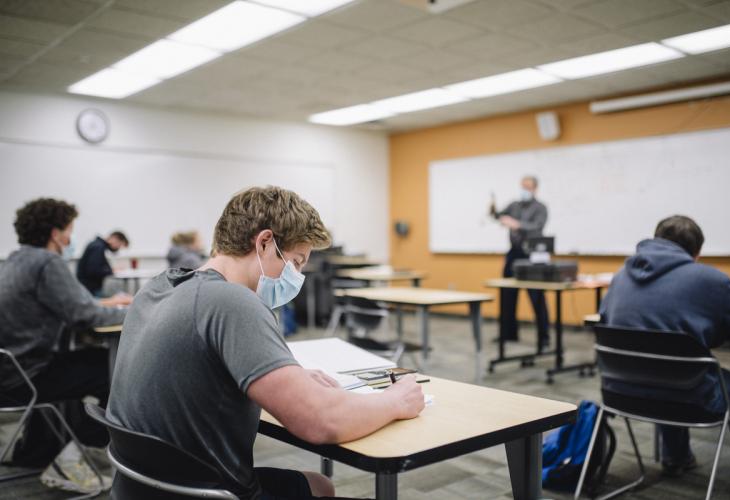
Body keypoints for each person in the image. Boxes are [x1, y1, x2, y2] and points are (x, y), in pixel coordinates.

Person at [107, 186, 425, 499]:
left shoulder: (157, 289)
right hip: (207, 491)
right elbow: (321, 420)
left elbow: (199, 368)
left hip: (144, 484)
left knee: (319, 486)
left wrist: (290, 377)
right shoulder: (234, 302)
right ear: (264, 242)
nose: (297, 276)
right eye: (297, 261)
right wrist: (396, 401)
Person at [599, 215, 730, 477]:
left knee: (666, 363)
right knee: (691, 372)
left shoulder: (620, 276)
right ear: (697, 252)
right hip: (688, 398)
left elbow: (603, 320)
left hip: (619, 393)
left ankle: (676, 456)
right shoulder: (709, 279)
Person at [0, 198, 131, 468]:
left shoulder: (15, 260)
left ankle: (38, 451)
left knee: (83, 361)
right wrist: (141, 311)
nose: (71, 238)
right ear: (56, 234)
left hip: (11, 371)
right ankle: (77, 459)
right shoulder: (47, 263)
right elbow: (87, 315)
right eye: (70, 230)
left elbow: (74, 306)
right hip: (26, 376)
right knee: (118, 371)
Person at [489, 175, 549, 346]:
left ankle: (543, 337)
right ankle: (508, 333)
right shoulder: (514, 204)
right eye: (522, 186)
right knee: (507, 294)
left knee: (536, 296)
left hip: (532, 255)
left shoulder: (541, 207)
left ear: (535, 189)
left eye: (528, 187)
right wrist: (493, 209)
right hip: (514, 253)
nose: (524, 190)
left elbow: (537, 226)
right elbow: (498, 216)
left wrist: (516, 224)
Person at [76, 230, 129, 296]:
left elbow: (96, 266)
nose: (118, 248)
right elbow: (94, 270)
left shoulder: (98, 246)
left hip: (90, 288)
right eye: (119, 245)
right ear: (114, 239)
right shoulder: (98, 247)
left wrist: (110, 269)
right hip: (90, 289)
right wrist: (110, 271)